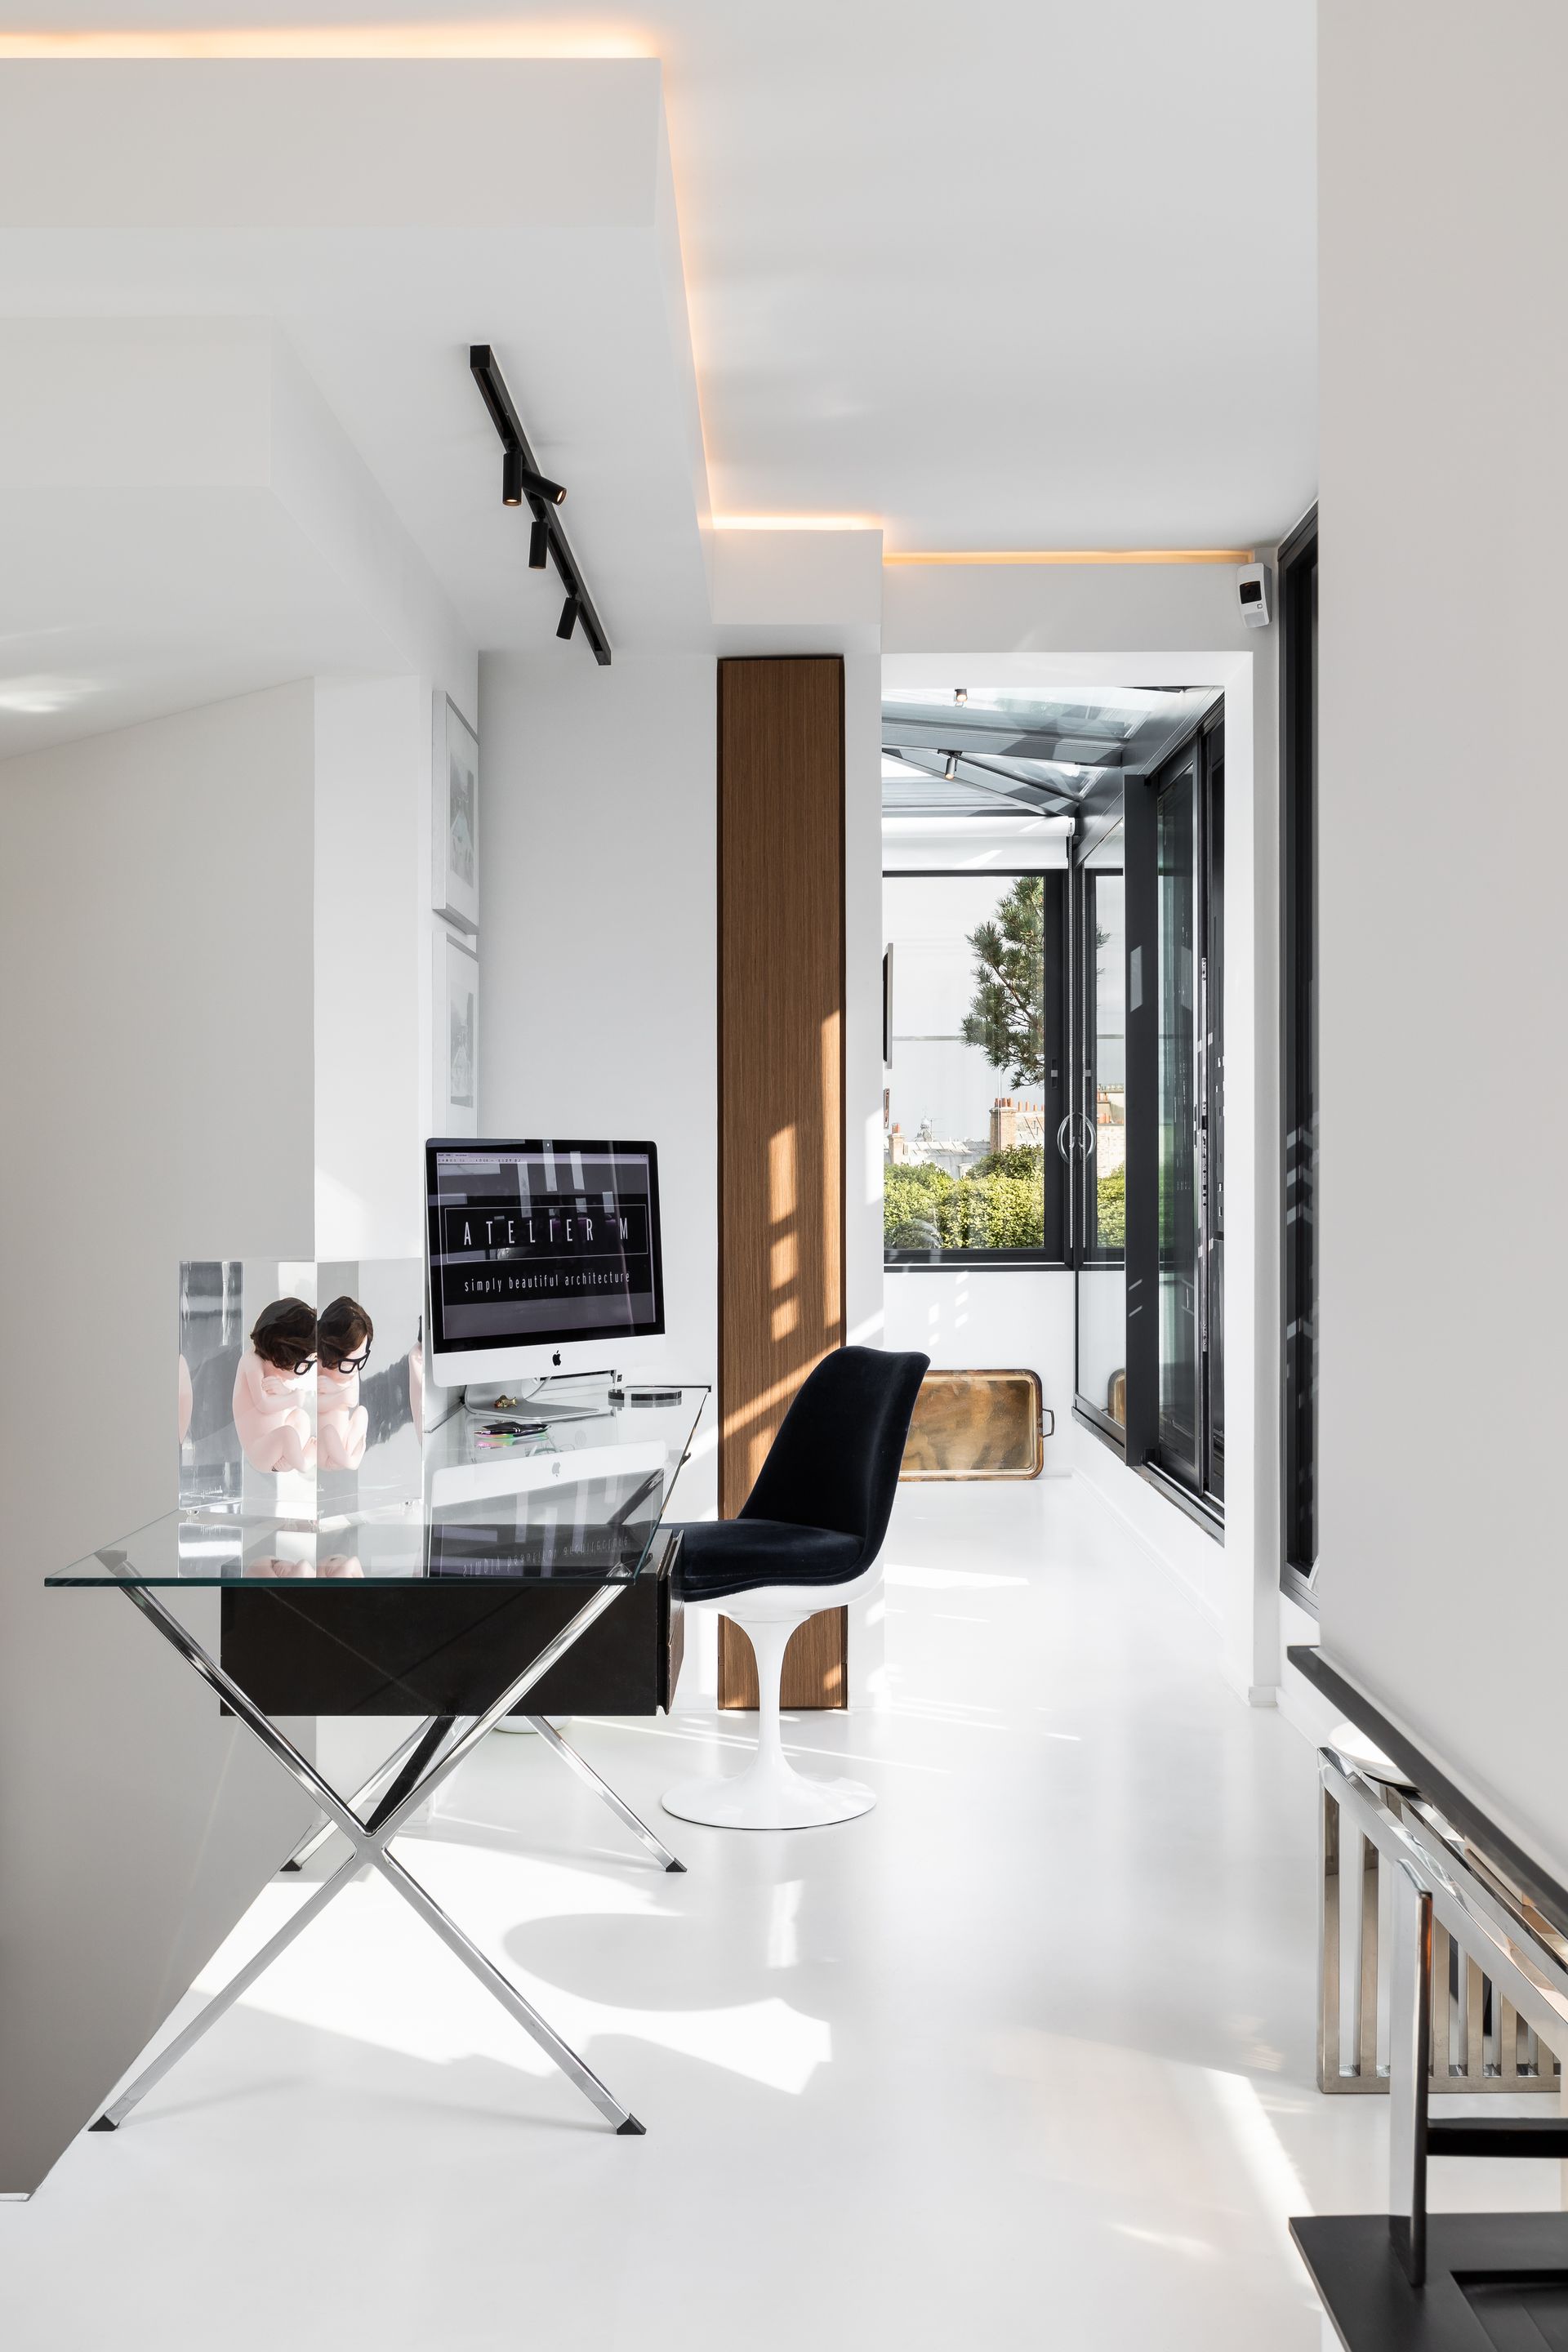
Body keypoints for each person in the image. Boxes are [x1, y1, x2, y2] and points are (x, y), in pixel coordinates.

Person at [231, 1297, 317, 1475]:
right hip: (260, 1449)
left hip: (275, 1442)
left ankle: (287, 1460)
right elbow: (263, 1405)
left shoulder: (275, 1369)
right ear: (282, 1355)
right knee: (288, 1434)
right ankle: (304, 1463)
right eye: (303, 1365)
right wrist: (293, 1397)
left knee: (301, 1417)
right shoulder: (252, 1361)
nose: (306, 1371)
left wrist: (287, 1393)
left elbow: (288, 1407)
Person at [316, 1294, 373, 1470]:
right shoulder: (316, 1367)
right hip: (323, 1450)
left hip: (344, 1444)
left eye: (360, 1361)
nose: (354, 1369)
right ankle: (350, 1462)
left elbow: (352, 1399)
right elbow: (314, 1405)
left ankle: (347, 1455)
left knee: (362, 1413)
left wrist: (336, 1392)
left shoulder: (352, 1371)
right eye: (348, 1363)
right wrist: (340, 1395)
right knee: (328, 1432)